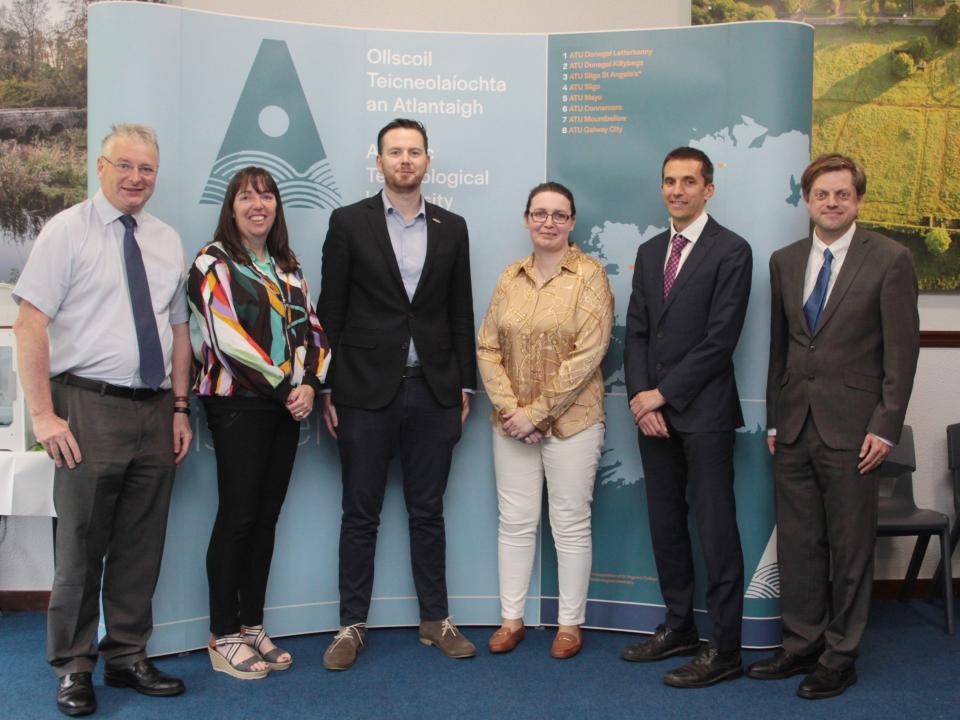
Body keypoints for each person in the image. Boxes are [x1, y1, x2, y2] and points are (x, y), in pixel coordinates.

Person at [12, 123, 192, 716]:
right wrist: (42, 414)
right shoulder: (66, 231)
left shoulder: (167, 240)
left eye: (147, 169)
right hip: (85, 406)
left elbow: (177, 331)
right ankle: (73, 665)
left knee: (143, 544)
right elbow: (31, 324)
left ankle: (126, 655)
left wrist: (181, 406)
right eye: (126, 166)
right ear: (101, 166)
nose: (136, 178)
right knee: (83, 547)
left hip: (155, 409)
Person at [748, 153, 919, 699]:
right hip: (794, 426)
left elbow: (902, 353)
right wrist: (775, 419)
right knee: (798, 545)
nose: (831, 202)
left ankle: (840, 654)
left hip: (855, 432)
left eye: (842, 194)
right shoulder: (785, 260)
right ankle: (800, 646)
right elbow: (781, 348)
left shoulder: (890, 260)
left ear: (858, 200)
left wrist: (886, 426)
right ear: (807, 200)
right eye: (822, 194)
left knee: (848, 548)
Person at [316, 118, 477, 669]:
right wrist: (326, 386)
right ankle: (350, 626)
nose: (404, 160)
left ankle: (436, 620)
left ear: (427, 161)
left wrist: (463, 384)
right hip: (362, 389)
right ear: (379, 161)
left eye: (414, 152)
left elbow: (460, 311)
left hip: (433, 390)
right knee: (359, 514)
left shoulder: (453, 227)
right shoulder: (347, 223)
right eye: (394, 152)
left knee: (427, 512)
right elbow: (330, 312)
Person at [188, 166, 330, 680]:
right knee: (239, 516)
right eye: (247, 196)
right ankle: (222, 634)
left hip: (288, 406)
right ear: (232, 207)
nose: (258, 205)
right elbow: (225, 340)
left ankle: (251, 625)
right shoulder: (213, 262)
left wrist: (311, 384)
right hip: (239, 405)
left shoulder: (288, 267)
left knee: (266, 517)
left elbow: (314, 332)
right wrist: (285, 388)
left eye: (267, 196)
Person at [621, 147, 752, 688]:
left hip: (704, 414)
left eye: (689, 182)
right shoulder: (651, 252)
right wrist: (640, 398)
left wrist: (663, 395)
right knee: (666, 525)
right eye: (670, 182)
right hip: (653, 416)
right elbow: (637, 334)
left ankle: (724, 649)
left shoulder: (732, 250)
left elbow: (720, 340)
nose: (678, 190)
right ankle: (679, 627)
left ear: (709, 189)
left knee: (716, 530)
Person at [477, 182, 613, 659]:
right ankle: (511, 619)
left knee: (570, 524)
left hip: (573, 423)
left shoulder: (591, 276)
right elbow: (487, 346)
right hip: (510, 423)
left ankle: (569, 625)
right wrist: (513, 412)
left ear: (572, 222)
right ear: (527, 219)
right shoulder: (509, 277)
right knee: (514, 523)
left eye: (559, 214)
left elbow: (589, 352)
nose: (549, 222)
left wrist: (535, 414)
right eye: (540, 213)